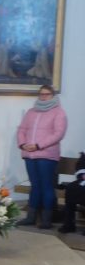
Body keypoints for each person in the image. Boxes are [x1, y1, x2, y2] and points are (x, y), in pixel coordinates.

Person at [16, 85, 68, 229]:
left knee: (46, 186)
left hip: (47, 155)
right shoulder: (31, 112)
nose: (43, 96)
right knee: (35, 186)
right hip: (30, 155)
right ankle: (31, 217)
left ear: (53, 95)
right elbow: (21, 130)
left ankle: (46, 220)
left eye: (47, 94)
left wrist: (39, 145)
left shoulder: (59, 112)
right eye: (41, 94)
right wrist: (23, 144)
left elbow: (58, 134)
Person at [58, 152, 85, 234]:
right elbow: (80, 166)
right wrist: (82, 174)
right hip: (82, 180)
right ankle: (69, 224)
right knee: (70, 188)